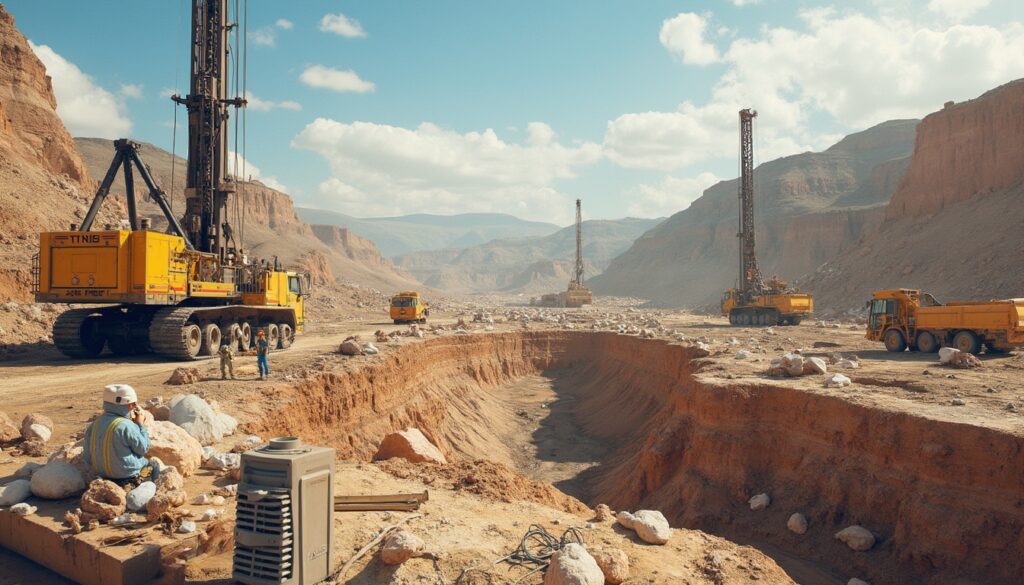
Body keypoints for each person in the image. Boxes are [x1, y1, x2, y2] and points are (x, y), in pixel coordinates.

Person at [83, 384, 158, 485]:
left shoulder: (94, 424)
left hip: (102, 476)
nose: (135, 406)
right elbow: (143, 449)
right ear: (128, 405)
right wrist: (140, 425)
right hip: (128, 476)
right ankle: (142, 489)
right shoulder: (126, 425)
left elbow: (88, 457)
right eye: (133, 404)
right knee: (153, 465)